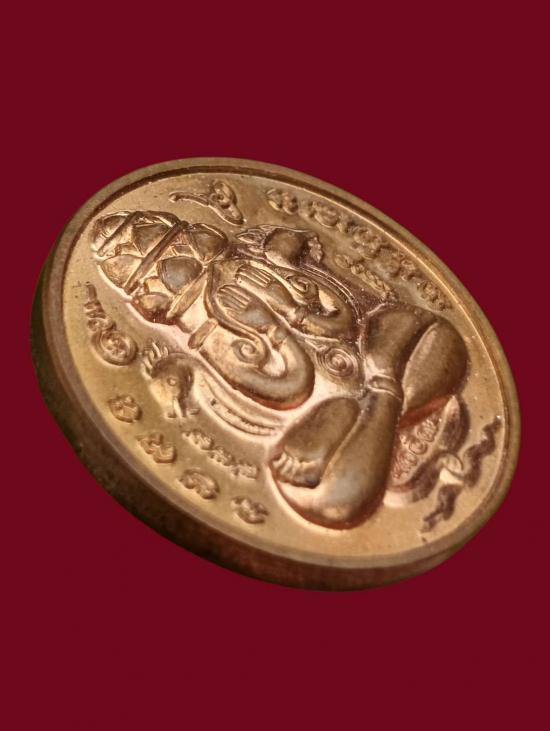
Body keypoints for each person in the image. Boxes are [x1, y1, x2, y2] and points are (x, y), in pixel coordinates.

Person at [94, 211, 467, 528]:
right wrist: (271, 329)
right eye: (176, 266)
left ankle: (381, 404)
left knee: (425, 328)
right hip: (336, 407)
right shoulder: (211, 336)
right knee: (326, 502)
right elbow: (291, 387)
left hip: (370, 360)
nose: (218, 277)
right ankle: (383, 402)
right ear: (156, 300)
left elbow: (345, 322)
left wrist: (292, 308)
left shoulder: (258, 267)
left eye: (184, 248)